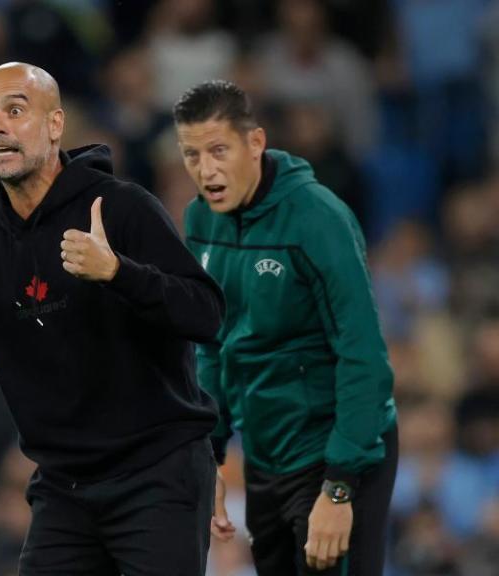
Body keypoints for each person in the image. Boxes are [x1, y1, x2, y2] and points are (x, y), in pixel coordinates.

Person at [0, 62, 225, 575]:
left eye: (15, 111)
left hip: (158, 473)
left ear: (55, 124)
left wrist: (117, 272)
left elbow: (207, 314)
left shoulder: (121, 208)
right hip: (65, 489)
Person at [176, 80, 397, 575]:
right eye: (191, 155)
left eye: (218, 150)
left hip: (334, 451)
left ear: (255, 143)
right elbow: (212, 345)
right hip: (265, 452)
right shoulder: (200, 221)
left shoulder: (319, 220)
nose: (205, 169)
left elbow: (363, 355)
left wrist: (339, 487)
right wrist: (210, 449)